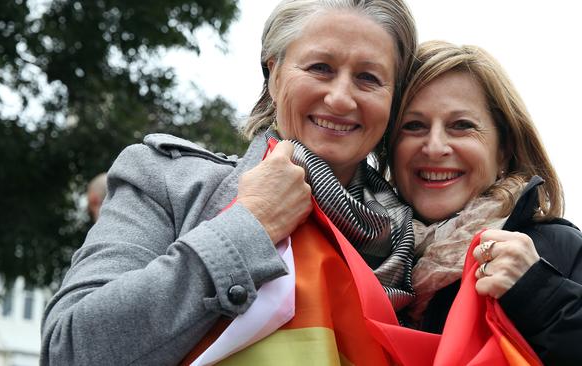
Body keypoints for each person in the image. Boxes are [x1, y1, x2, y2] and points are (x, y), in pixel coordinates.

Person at [40, 0, 417, 364]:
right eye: (320, 67)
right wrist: (248, 226)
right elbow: (69, 350)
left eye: (368, 78)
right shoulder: (167, 182)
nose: (339, 98)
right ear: (274, 73)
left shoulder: (420, 243)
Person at [384, 40, 582, 364]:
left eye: (461, 126)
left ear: (503, 149)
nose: (435, 147)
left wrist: (540, 295)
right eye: (413, 126)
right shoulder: (366, 260)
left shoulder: (558, 251)